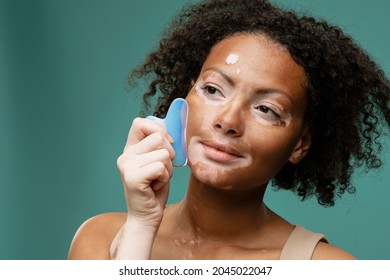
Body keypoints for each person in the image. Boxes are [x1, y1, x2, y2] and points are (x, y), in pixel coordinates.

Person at [67, 0, 390, 260]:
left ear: (299, 145)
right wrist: (141, 226)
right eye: (212, 90)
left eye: (266, 109)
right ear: (185, 97)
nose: (228, 121)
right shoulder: (101, 239)